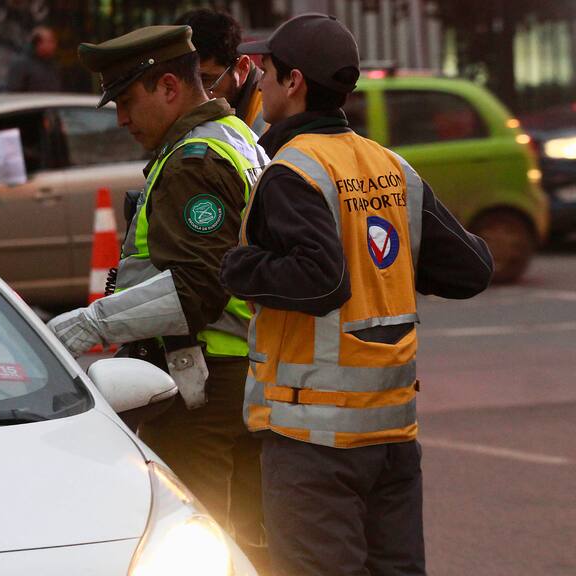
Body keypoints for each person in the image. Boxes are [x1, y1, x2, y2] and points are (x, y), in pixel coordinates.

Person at [220, 13, 494, 576]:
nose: (260, 85)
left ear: (293, 83)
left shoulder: (292, 171)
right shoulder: (390, 166)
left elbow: (321, 278)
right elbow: (471, 270)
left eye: (267, 71)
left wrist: (240, 267)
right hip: (391, 439)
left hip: (313, 442)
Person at [46, 24, 270, 570]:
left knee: (187, 544)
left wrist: (85, 326)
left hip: (200, 392)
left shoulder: (195, 159)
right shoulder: (238, 138)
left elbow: (197, 288)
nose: (121, 118)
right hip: (245, 375)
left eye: (127, 100)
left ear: (169, 87)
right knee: (247, 546)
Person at [175, 8, 266, 135]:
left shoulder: (268, 118)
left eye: (205, 80)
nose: (195, 96)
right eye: (185, 82)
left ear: (242, 68)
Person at [7, 26, 64, 93]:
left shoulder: (53, 64)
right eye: (50, 41)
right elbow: (14, 92)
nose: (54, 45)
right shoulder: (22, 65)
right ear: (38, 43)